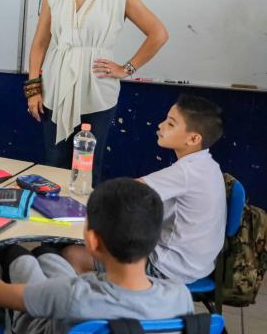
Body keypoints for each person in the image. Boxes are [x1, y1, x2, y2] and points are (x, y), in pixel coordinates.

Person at [0, 178, 193, 333]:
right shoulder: (179, 295)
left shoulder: (74, 296)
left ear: (93, 241)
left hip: (37, 324)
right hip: (81, 294)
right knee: (46, 254)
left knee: (13, 255)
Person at [25, 0, 168, 182]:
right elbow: (39, 43)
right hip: (55, 87)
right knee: (54, 163)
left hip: (97, 90)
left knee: (88, 166)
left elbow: (158, 33)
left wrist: (127, 69)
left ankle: (86, 221)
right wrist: (33, 87)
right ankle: (52, 220)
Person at [62, 94, 226, 284]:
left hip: (171, 267)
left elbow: (125, 192)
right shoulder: (208, 164)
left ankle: (96, 303)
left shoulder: (187, 172)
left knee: (71, 254)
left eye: (171, 124)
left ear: (193, 138)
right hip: (199, 263)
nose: (161, 125)